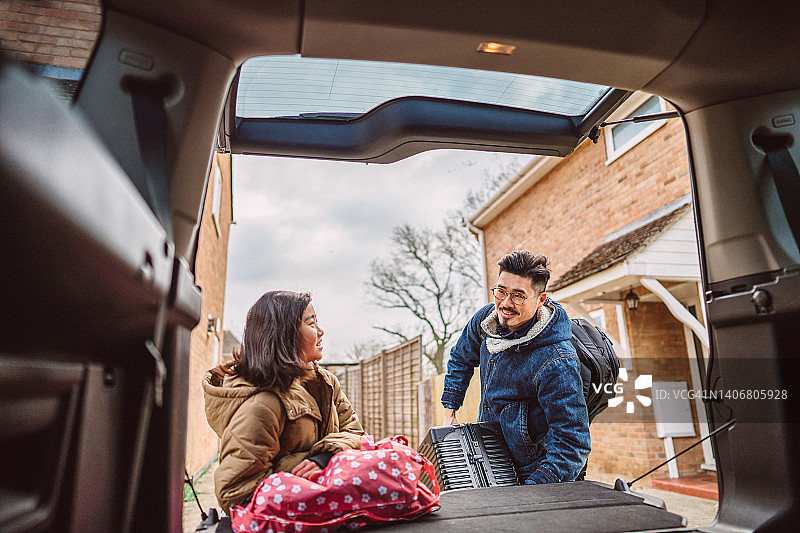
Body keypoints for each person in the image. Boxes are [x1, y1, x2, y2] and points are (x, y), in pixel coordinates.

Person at [203, 290, 364, 514]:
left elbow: (356, 434)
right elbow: (235, 493)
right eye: (311, 323)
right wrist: (311, 476)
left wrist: (323, 459)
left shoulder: (326, 383)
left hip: (326, 509)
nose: (321, 331)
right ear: (285, 334)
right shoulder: (262, 405)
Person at [441, 250, 590, 484]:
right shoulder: (485, 321)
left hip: (533, 472)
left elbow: (572, 445)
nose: (505, 304)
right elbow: (460, 358)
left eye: (518, 296)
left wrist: (530, 491)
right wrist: (450, 409)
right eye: (500, 292)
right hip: (492, 458)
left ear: (540, 300)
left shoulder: (557, 361)